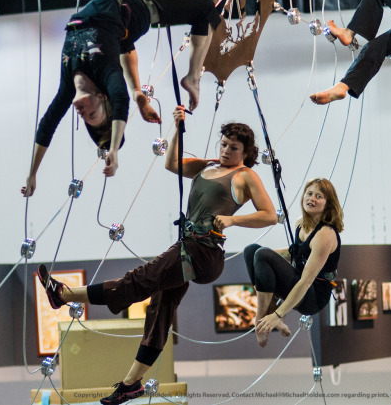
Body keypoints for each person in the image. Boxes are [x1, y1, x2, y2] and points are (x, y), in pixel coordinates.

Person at [36, 105, 277, 405]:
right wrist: (177, 128)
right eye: (224, 144)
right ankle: (130, 384)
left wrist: (232, 220)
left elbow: (270, 216)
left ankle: (65, 294)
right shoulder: (208, 165)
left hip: (203, 252)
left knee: (140, 279)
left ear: (246, 151)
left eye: (234, 147)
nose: (227, 150)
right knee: (159, 311)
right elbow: (171, 163)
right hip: (189, 246)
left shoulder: (246, 176)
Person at [21, 0, 221, 196]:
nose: (81, 113)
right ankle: (192, 77)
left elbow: (47, 125)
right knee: (206, 9)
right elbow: (119, 100)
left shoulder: (67, 88)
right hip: (137, 9)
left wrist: (32, 173)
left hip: (115, 22)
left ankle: (139, 95)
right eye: (92, 114)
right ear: (101, 97)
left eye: (85, 118)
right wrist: (114, 150)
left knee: (123, 43)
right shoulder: (105, 72)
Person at [244, 178, 343, 347]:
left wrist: (278, 314)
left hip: (313, 296)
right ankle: (269, 314)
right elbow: (295, 253)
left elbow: (306, 281)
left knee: (262, 254)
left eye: (319, 196)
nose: (312, 198)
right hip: (299, 284)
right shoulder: (300, 223)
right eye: (309, 194)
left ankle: (260, 321)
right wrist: (263, 258)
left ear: (327, 204)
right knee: (251, 251)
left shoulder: (325, 234)